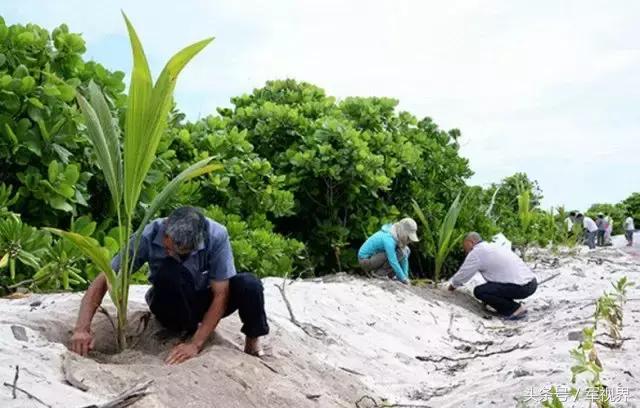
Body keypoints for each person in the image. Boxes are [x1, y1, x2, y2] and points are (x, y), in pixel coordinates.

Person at [70, 206, 269, 364]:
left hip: (201, 299)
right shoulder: (148, 234)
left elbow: (221, 294)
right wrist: (82, 328)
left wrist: (195, 344)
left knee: (249, 284)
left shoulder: (217, 235)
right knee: (169, 270)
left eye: (185, 253)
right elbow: (107, 276)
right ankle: (180, 329)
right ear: (166, 232)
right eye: (171, 248)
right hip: (167, 300)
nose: (175, 254)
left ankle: (252, 342)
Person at [447, 232, 537, 320]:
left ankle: (516, 309)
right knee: (489, 287)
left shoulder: (477, 252)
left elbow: (464, 274)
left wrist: (451, 287)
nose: (464, 249)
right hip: (531, 282)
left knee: (480, 291)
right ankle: (506, 306)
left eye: (464, 245)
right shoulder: (492, 246)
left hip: (523, 286)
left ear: (471, 242)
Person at [358, 218, 419, 284]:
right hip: (365, 260)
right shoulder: (388, 239)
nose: (409, 241)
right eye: (408, 237)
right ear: (403, 232)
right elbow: (393, 261)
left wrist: (405, 276)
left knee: (406, 251)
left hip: (375, 257)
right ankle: (379, 274)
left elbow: (404, 259)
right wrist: (403, 279)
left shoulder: (396, 236)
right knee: (396, 254)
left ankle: (388, 275)